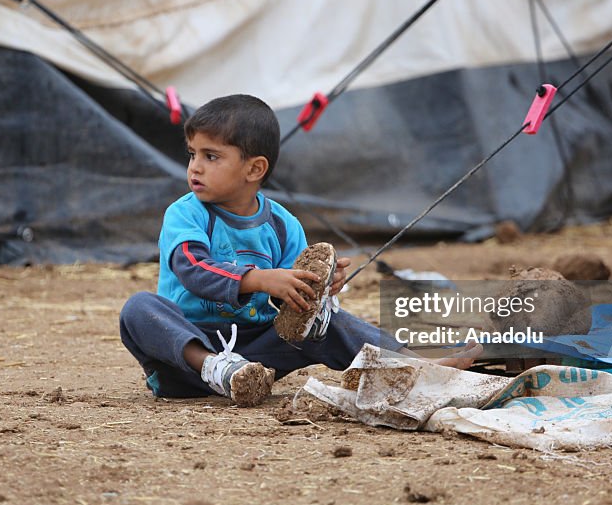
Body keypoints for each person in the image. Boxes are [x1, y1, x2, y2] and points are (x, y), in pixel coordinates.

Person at [119, 94, 479, 406]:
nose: (195, 166)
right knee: (139, 308)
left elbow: (293, 300)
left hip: (255, 359)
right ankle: (216, 368)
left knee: (324, 322)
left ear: (254, 168)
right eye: (193, 154)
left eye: (211, 156)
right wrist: (259, 280)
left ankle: (410, 366)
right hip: (184, 357)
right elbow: (192, 268)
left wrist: (319, 285)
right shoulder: (185, 213)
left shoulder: (283, 223)